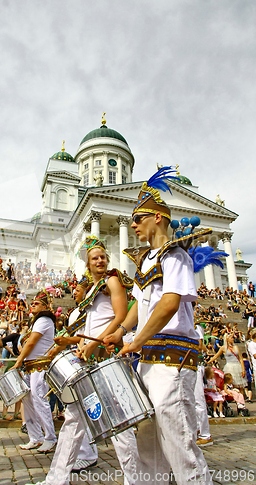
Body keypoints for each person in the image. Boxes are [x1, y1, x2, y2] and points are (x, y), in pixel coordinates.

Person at [104, 167, 213, 484]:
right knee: (147, 443)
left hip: (172, 358)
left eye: (139, 218)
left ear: (159, 219)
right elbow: (139, 304)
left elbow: (169, 303)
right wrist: (121, 331)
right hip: (148, 358)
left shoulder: (174, 254)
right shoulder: (147, 261)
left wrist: (137, 340)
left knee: (179, 444)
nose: (133, 224)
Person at [35, 237, 146, 485]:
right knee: (73, 421)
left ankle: (135, 480)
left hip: (105, 357)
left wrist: (95, 343)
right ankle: (56, 479)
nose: (100, 260)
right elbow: (91, 325)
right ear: (87, 262)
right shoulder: (91, 291)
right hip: (90, 357)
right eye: (95, 257)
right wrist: (79, 342)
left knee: (119, 422)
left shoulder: (112, 281)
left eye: (103, 257)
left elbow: (120, 316)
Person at [48, 276, 98, 473]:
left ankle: (87, 454)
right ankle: (83, 454)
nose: (74, 292)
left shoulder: (87, 310)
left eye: (78, 290)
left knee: (81, 412)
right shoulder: (77, 311)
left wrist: (65, 343)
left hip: (87, 359)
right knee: (77, 412)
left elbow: (80, 335)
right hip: (78, 359)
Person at [12, 290, 57, 453]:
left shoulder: (44, 319)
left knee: (39, 400)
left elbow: (31, 343)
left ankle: (50, 437)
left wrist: (18, 360)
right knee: (28, 400)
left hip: (40, 366)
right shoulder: (35, 321)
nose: (32, 305)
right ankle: (36, 437)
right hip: (31, 367)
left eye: (36, 303)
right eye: (32, 303)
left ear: (45, 306)